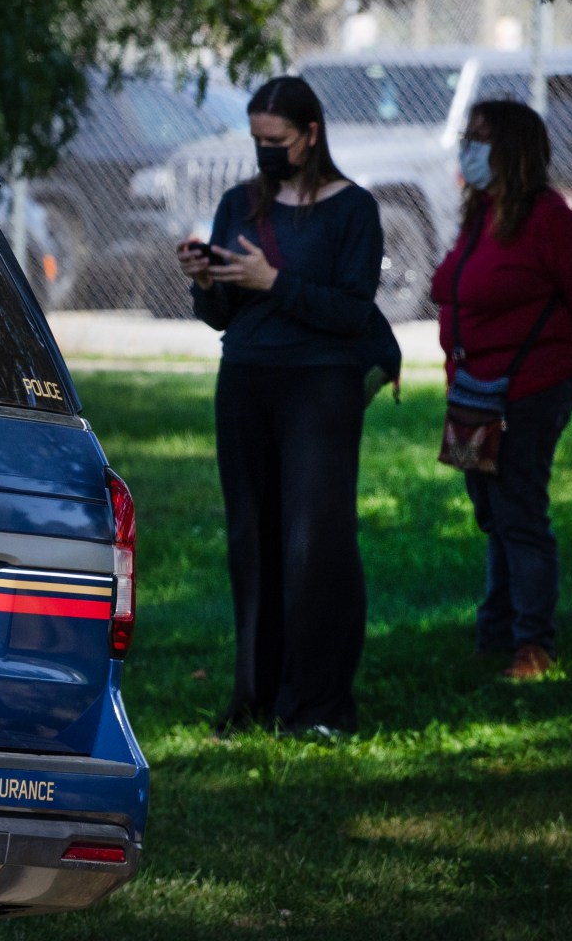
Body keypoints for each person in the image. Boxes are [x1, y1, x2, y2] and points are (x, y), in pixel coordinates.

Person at [178, 75, 385, 737]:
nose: (265, 151)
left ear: (311, 134)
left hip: (319, 387)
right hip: (246, 378)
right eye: (257, 140)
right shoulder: (241, 202)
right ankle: (255, 695)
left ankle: (320, 703)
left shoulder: (354, 210)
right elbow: (218, 317)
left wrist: (277, 282)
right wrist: (208, 281)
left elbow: (352, 313)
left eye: (278, 140)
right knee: (254, 540)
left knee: (313, 545)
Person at [430, 99, 572, 681]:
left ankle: (533, 645)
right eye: (468, 135)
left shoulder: (548, 220)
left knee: (520, 513)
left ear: (514, 149)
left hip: (527, 393)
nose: (469, 146)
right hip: (473, 394)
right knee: (493, 514)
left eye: (482, 137)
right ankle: (496, 631)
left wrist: (556, 369)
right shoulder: (480, 214)